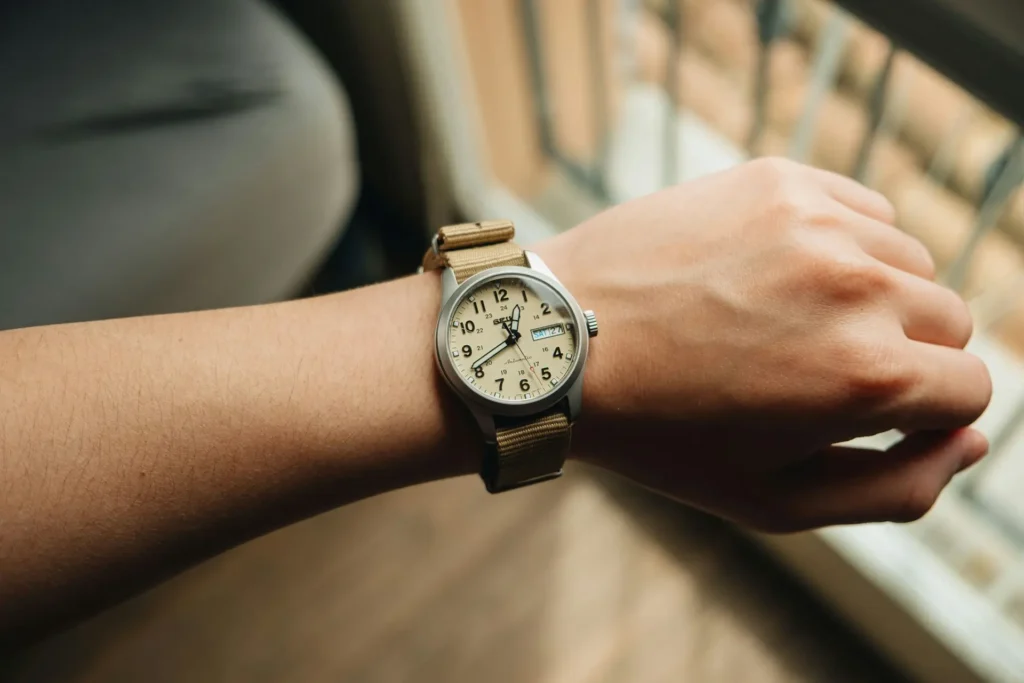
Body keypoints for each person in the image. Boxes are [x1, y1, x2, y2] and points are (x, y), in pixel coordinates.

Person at [0, 158, 992, 649]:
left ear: (573, 329)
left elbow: (518, 314)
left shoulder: (529, 311)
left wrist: (565, 298)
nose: (534, 336)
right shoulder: (523, 329)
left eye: (550, 331)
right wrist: (586, 350)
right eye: (526, 330)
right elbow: (493, 327)